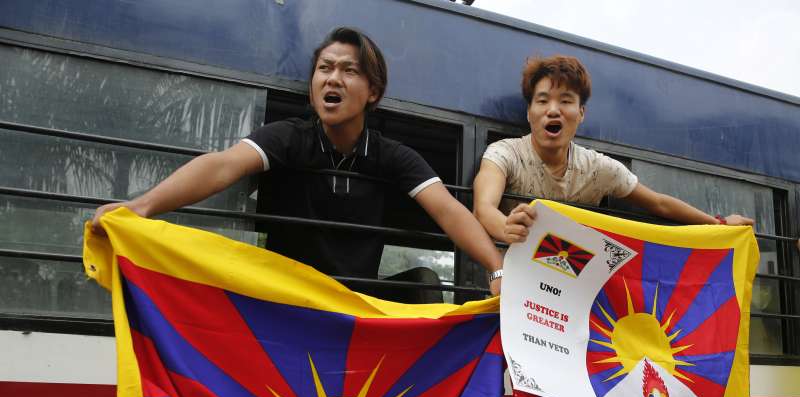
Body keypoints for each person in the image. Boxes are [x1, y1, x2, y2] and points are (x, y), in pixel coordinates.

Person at [92, 27, 503, 297]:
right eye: (324, 69)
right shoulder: (289, 137)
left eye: (348, 71)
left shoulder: (391, 155)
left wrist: (497, 269)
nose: (332, 79)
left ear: (373, 91)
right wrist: (140, 206)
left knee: (425, 284)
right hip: (287, 299)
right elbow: (221, 166)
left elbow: (448, 210)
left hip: (355, 304)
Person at [473, 55, 754, 244]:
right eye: (543, 100)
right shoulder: (504, 154)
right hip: (514, 288)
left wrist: (718, 224)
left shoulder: (598, 169)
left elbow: (658, 203)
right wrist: (506, 228)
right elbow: (483, 207)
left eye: (566, 101)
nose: (553, 110)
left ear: (581, 113)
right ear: (529, 112)